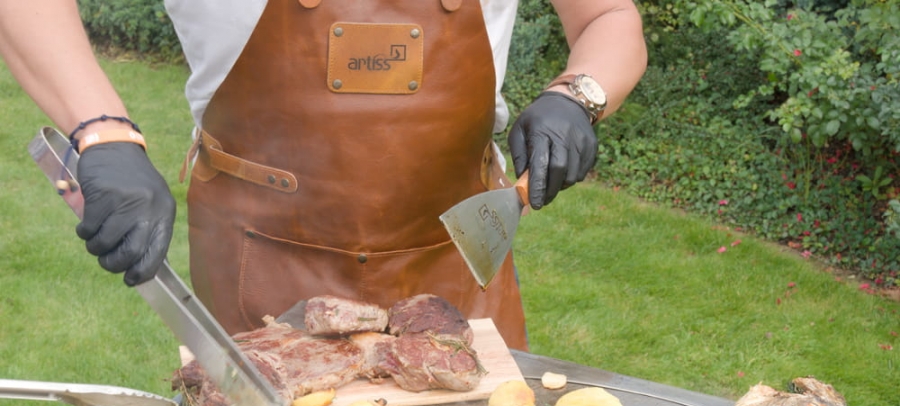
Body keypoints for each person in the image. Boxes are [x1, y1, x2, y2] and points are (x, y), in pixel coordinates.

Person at [0, 1, 646, 351]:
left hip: (460, 255)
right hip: (258, 266)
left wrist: (577, 95)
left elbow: (607, 16)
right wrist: (104, 131)